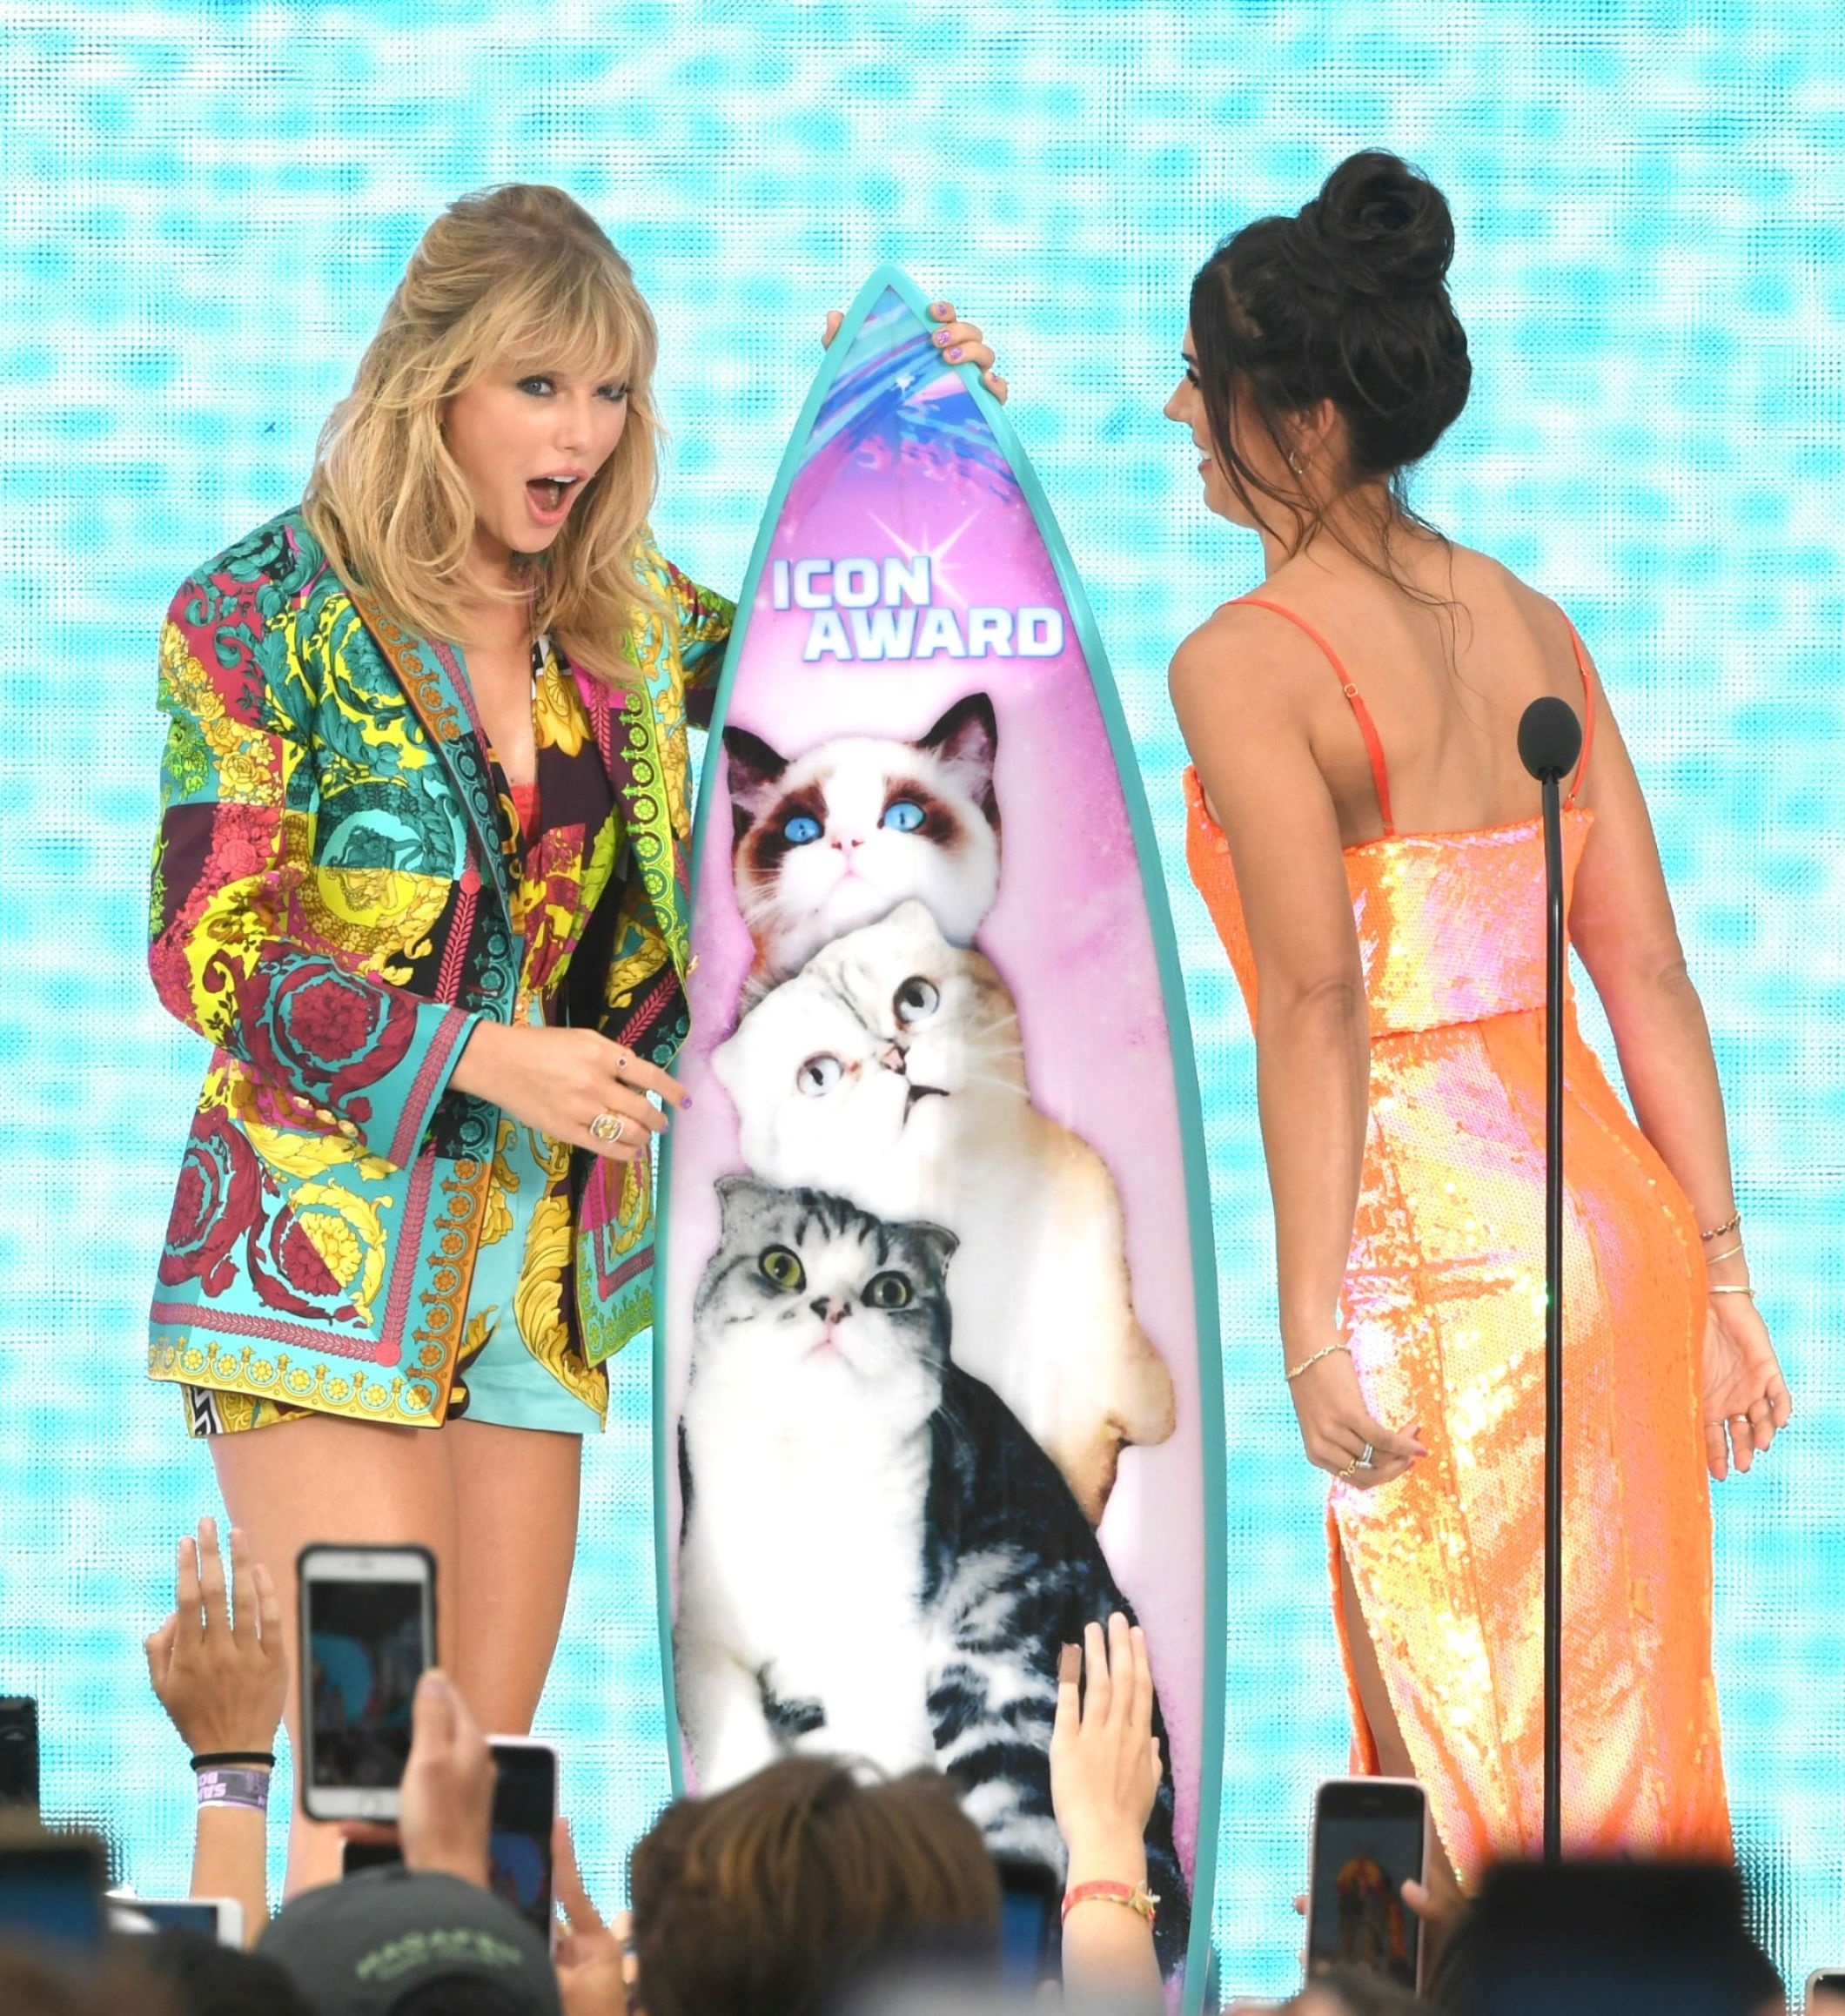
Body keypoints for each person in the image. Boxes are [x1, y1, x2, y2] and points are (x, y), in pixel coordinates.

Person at [144, 180, 1003, 1889]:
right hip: (320, 1253)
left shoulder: (625, 617)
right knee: (367, 1788)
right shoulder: (254, 614)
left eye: (610, 393)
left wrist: (903, 440)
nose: (582, 434)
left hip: (546, 1275)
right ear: (434, 385)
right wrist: (484, 1058)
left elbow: (841, 667)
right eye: (540, 387)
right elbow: (206, 942)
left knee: (478, 1798)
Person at [1164, 151, 1791, 1892]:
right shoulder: (1534, 623)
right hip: (1619, 1241)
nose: (1176, 411)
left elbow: (1317, 1001)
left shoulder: (1244, 658)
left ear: (1299, 423)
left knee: (1458, 1805)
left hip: (1436, 1266)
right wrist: (1722, 1281)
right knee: (1622, 1770)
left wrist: (1309, 1319)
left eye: (1199, 382)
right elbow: (1649, 975)